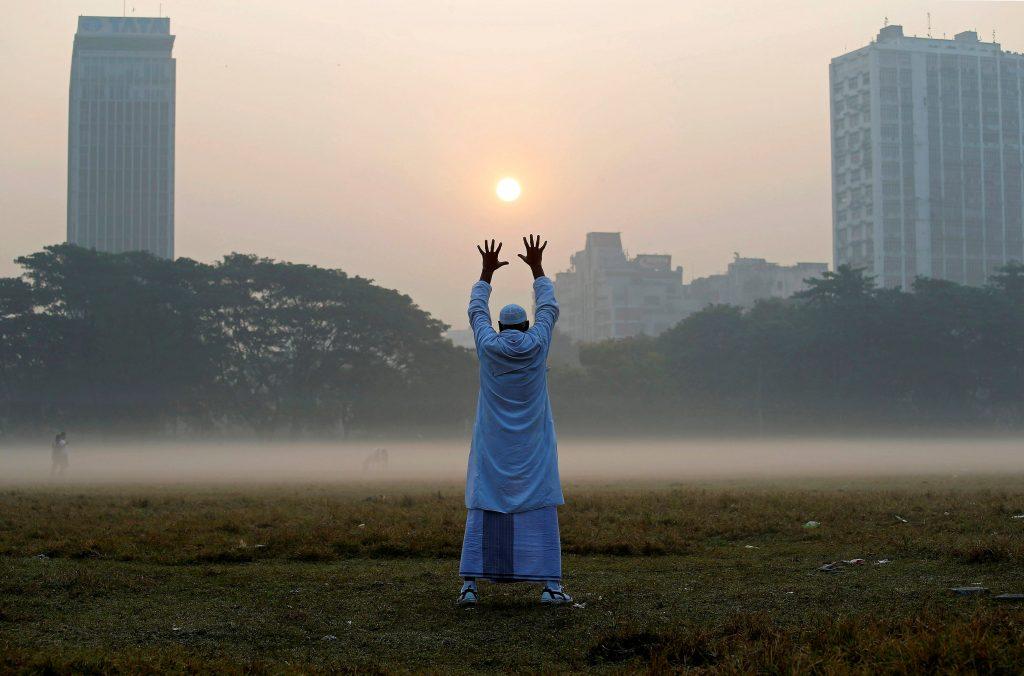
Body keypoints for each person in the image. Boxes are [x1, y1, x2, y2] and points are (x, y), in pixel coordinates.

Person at [457, 235, 572, 606]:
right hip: (533, 446)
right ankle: (550, 588)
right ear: (525, 326)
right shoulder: (538, 343)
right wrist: (537, 267)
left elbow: (476, 311)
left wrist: (485, 273)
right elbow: (549, 308)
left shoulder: (488, 347)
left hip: (493, 445)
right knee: (539, 505)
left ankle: (469, 588)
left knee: (484, 502)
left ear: (501, 328)